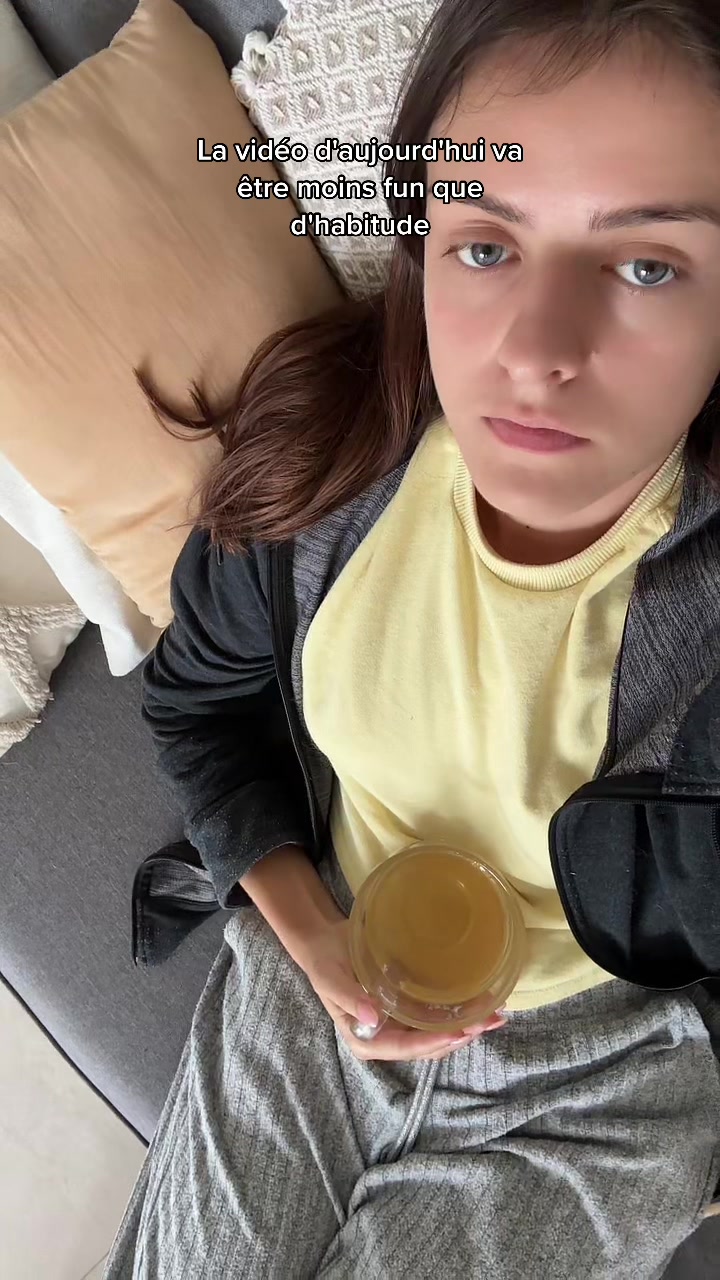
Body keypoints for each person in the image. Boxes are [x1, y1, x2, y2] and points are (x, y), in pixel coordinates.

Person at [105, 1, 720, 1276]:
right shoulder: (318, 478)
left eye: (649, 265)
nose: (536, 353)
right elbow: (197, 707)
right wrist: (305, 928)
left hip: (606, 1077)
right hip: (323, 963)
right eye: (484, 244)